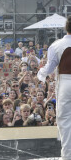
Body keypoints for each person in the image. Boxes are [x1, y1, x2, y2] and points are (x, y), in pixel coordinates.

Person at [38, 15, 71, 159]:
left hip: (65, 83)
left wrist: (40, 74)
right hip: (64, 80)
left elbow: (49, 68)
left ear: (66, 27)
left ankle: (67, 156)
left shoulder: (57, 45)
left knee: (65, 121)